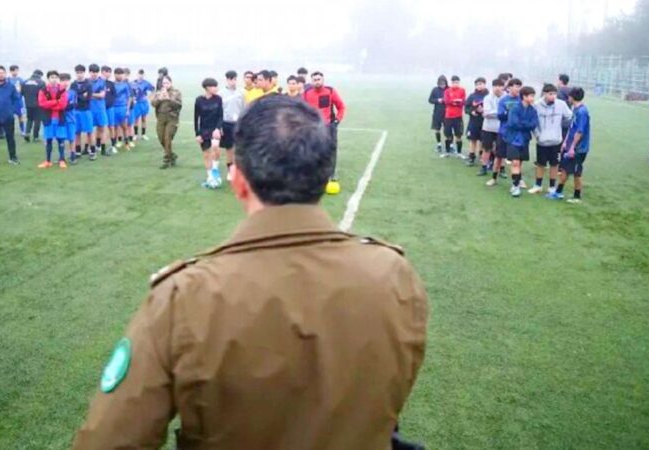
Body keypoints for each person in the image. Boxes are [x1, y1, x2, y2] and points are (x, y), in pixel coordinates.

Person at [71, 94, 427, 450]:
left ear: (238, 179)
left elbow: (109, 441)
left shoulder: (184, 296)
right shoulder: (394, 275)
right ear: (322, 176)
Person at [304, 71, 346, 194]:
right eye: (315, 80)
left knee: (330, 152)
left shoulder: (330, 91)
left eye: (319, 79)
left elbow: (341, 107)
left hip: (329, 127)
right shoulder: (307, 94)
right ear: (311, 82)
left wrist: (337, 120)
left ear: (323, 80)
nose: (317, 81)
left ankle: (331, 176)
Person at [529, 84, 572, 195]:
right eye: (550, 94)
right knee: (540, 164)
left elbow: (569, 117)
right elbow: (532, 122)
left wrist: (560, 129)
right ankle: (538, 185)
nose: (553, 96)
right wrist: (538, 135)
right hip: (542, 141)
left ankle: (552, 186)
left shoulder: (561, 104)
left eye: (555, 94)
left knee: (554, 164)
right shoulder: (536, 105)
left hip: (556, 141)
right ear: (544, 94)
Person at [549, 87, 590, 204]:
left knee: (576, 173)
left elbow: (580, 132)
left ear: (571, 97)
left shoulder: (582, 112)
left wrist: (572, 147)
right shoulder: (575, 109)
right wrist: (565, 142)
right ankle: (558, 192)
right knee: (565, 170)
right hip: (570, 146)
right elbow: (572, 128)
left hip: (579, 149)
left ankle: (577, 197)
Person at [503, 86, 539, 197]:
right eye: (531, 96)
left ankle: (517, 182)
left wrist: (523, 124)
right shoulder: (515, 108)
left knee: (520, 163)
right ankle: (515, 186)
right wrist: (526, 124)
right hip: (513, 139)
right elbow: (513, 123)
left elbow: (534, 123)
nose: (533, 98)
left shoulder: (532, 110)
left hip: (524, 140)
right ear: (524, 96)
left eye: (533, 96)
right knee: (515, 162)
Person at [487, 79, 522, 187]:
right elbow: (500, 115)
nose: (518, 89)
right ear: (509, 88)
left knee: (518, 159)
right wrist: (510, 112)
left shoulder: (522, 100)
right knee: (499, 156)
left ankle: (518, 180)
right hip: (504, 132)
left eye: (519, 86)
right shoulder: (503, 100)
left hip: (517, 134)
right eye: (516, 86)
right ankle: (494, 177)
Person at [194, 78, 224, 189]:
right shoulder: (199, 100)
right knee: (206, 154)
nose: (216, 88)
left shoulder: (218, 99)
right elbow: (196, 118)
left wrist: (218, 128)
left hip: (215, 129)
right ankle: (210, 177)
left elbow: (221, 115)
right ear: (207, 87)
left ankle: (215, 169)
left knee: (216, 147)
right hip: (203, 130)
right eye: (214, 86)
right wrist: (197, 134)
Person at [36, 70, 70, 169]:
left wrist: (50, 104)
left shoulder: (63, 89)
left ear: (58, 78)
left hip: (60, 118)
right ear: (48, 79)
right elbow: (42, 103)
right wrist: (56, 102)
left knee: (61, 139)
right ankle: (47, 161)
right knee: (49, 139)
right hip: (48, 118)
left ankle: (62, 160)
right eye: (52, 77)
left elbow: (63, 105)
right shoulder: (43, 90)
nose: (54, 79)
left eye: (55, 77)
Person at [151, 75, 182, 169]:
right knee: (161, 138)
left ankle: (166, 160)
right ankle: (172, 155)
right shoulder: (159, 92)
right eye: (164, 83)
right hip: (160, 118)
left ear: (171, 83)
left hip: (172, 118)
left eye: (167, 83)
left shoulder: (176, 92)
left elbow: (178, 105)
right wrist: (160, 98)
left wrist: (168, 98)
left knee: (167, 137)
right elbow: (153, 104)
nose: (165, 85)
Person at [221, 70, 244, 181]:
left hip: (238, 124)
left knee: (239, 149)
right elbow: (219, 111)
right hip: (226, 124)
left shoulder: (241, 92)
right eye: (230, 79)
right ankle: (230, 171)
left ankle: (239, 171)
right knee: (229, 149)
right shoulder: (221, 94)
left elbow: (244, 109)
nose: (233, 81)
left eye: (234, 79)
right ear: (227, 80)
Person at [479, 78, 504, 177]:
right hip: (488, 127)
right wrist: (500, 113)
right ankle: (484, 167)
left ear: (503, 87)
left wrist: (493, 112)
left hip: (501, 128)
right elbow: (487, 113)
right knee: (486, 148)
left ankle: (501, 169)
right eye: (495, 86)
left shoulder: (506, 98)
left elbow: (490, 113)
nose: (498, 88)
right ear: (492, 87)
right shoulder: (487, 98)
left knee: (501, 150)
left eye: (500, 86)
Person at [71, 65, 95, 161]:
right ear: (76, 73)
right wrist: (82, 94)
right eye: (77, 72)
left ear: (84, 73)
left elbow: (88, 98)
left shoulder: (88, 84)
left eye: (81, 72)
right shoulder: (73, 84)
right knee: (77, 132)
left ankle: (92, 152)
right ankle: (77, 151)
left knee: (89, 132)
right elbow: (73, 97)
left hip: (86, 111)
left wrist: (78, 95)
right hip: (76, 111)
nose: (79, 74)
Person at [464, 77, 487, 165]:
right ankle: (471, 156)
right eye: (477, 84)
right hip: (473, 122)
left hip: (485, 122)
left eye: (481, 84)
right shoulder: (472, 96)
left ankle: (481, 156)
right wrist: (471, 112)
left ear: (485, 84)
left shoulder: (488, 96)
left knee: (482, 140)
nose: (479, 86)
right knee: (472, 139)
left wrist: (484, 111)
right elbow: (466, 108)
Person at [442, 75, 467, 158]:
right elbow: (446, 101)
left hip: (458, 116)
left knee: (459, 135)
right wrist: (455, 102)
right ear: (451, 83)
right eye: (454, 82)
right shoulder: (447, 91)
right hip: (448, 116)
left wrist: (456, 102)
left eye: (457, 82)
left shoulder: (462, 90)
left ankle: (459, 153)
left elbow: (463, 102)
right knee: (448, 135)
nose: (456, 84)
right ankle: (447, 152)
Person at [88, 64, 109, 157]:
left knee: (102, 128)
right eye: (92, 72)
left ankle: (102, 148)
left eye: (96, 72)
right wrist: (96, 94)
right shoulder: (86, 82)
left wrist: (89, 94)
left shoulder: (102, 82)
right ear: (89, 72)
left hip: (100, 109)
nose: (94, 74)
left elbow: (102, 95)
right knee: (89, 130)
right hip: (89, 109)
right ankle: (89, 148)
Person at [110, 67, 132, 151]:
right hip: (114, 108)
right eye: (118, 74)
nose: (119, 76)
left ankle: (126, 143)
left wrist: (127, 109)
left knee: (124, 126)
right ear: (115, 75)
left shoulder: (125, 85)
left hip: (122, 107)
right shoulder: (112, 84)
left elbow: (129, 97)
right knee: (114, 127)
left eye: (121, 74)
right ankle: (114, 144)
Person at [131, 69, 155, 142]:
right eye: (139, 74)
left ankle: (143, 134)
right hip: (136, 103)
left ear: (144, 75)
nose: (141, 75)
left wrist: (148, 97)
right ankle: (135, 134)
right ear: (137, 74)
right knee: (136, 119)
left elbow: (153, 89)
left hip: (143, 103)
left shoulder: (146, 83)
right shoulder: (132, 83)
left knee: (144, 119)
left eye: (142, 74)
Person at [21, 69, 45, 143]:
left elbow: (22, 92)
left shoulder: (25, 82)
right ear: (40, 75)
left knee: (29, 119)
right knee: (37, 120)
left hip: (28, 103)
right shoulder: (41, 82)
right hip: (38, 104)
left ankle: (27, 133)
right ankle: (35, 137)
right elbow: (43, 94)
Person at [60, 73, 79, 164]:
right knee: (61, 138)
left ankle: (73, 155)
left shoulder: (72, 92)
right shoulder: (57, 92)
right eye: (63, 80)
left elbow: (72, 105)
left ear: (70, 81)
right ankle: (62, 157)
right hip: (61, 119)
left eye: (67, 80)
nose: (65, 82)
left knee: (72, 138)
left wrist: (62, 105)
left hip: (71, 118)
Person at [428, 75, 448, 154]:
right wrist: (437, 100)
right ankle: (439, 144)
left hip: (447, 113)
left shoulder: (449, 90)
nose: (442, 85)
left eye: (443, 83)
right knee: (437, 129)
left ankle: (450, 145)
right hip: (437, 113)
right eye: (441, 83)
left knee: (447, 130)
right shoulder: (435, 90)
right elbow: (430, 100)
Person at [101, 66, 118, 154]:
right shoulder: (99, 82)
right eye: (107, 72)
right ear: (103, 72)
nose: (109, 74)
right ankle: (99, 146)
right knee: (101, 128)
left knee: (111, 127)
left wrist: (111, 103)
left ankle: (113, 145)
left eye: (110, 72)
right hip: (101, 109)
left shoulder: (111, 84)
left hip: (110, 108)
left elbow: (114, 95)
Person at [8, 64, 27, 137]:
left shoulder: (21, 80)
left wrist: (20, 93)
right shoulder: (8, 80)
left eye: (16, 70)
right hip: (10, 101)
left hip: (18, 101)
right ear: (10, 71)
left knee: (20, 116)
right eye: (13, 71)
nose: (15, 72)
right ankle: (10, 131)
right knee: (10, 117)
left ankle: (23, 130)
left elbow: (24, 89)